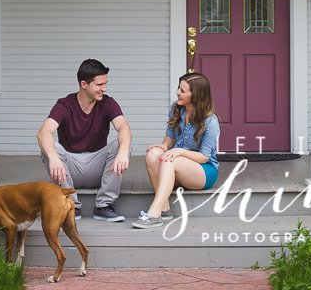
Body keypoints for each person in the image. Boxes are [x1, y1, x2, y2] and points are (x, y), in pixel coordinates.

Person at [37, 58, 132, 222]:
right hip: (69, 168)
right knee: (50, 147)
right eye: (100, 85)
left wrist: (123, 152)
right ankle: (70, 206)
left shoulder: (108, 103)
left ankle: (103, 206)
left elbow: (124, 127)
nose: (105, 88)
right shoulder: (65, 104)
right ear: (84, 84)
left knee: (122, 145)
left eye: (105, 83)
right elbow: (44, 132)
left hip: (98, 167)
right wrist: (52, 157)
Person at [132, 71, 220, 229]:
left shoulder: (210, 121)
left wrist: (179, 152)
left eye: (182, 90)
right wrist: (164, 146)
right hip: (177, 165)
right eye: (179, 88)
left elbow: (204, 157)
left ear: (196, 96)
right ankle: (164, 209)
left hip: (203, 171)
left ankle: (153, 214)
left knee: (170, 159)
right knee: (153, 154)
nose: (177, 92)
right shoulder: (176, 108)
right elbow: (170, 139)